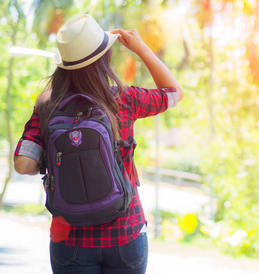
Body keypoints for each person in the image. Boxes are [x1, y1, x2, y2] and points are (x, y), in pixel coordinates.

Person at [13, 14, 184, 274]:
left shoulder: (48, 105)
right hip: (126, 232)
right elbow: (174, 94)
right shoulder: (123, 99)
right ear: (104, 59)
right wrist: (140, 48)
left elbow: (24, 165)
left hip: (68, 238)